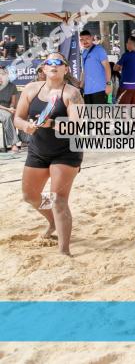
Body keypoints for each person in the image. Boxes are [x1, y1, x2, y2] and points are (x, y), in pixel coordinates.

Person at [14, 53, 85, 255]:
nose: (54, 65)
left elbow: (77, 126)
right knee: (30, 195)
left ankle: (64, 251)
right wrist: (25, 126)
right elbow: (17, 118)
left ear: (66, 68)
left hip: (66, 151)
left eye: (59, 62)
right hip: (38, 149)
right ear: (43, 68)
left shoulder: (72, 93)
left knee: (58, 200)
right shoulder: (30, 89)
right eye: (50, 62)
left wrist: (52, 124)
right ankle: (53, 220)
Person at [78, 30, 112, 104]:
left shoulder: (99, 50)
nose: (84, 41)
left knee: (100, 114)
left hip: (100, 89)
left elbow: (107, 67)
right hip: (87, 91)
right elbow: (84, 71)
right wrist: (80, 87)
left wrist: (108, 84)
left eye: (87, 38)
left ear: (91, 38)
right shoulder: (84, 52)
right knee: (90, 114)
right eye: (82, 39)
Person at [113, 35, 135, 105]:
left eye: (127, 42)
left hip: (126, 85)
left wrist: (121, 67)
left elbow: (115, 68)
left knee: (122, 108)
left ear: (131, 44)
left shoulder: (126, 55)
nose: (126, 44)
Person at [0, 67, 21, 152]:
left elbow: (13, 101)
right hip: (2, 108)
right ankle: (13, 144)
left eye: (3, 74)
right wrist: (8, 109)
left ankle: (25, 139)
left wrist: (12, 107)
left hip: (7, 108)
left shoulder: (12, 86)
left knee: (20, 113)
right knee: (7, 116)